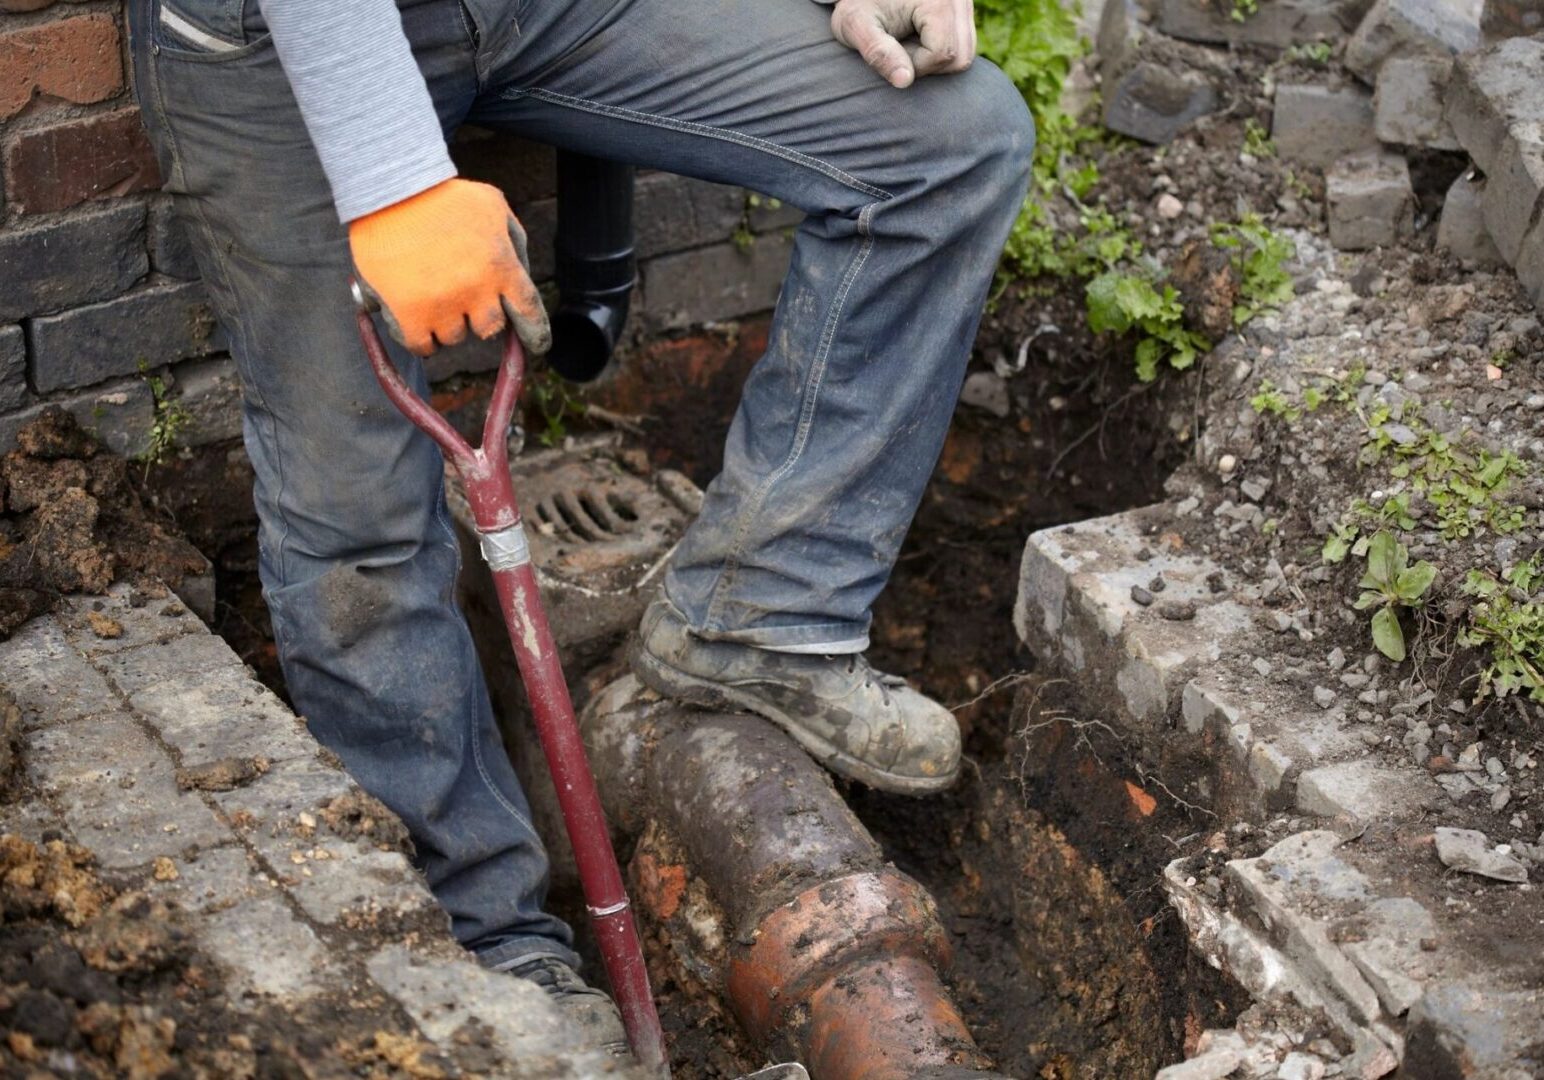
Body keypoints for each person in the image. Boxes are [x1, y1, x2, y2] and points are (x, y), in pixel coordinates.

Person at [128, 0, 1033, 1046]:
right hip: (281, 37)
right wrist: (393, 178)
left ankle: (762, 619)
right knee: (358, 519)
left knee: (946, 145)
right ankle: (485, 950)